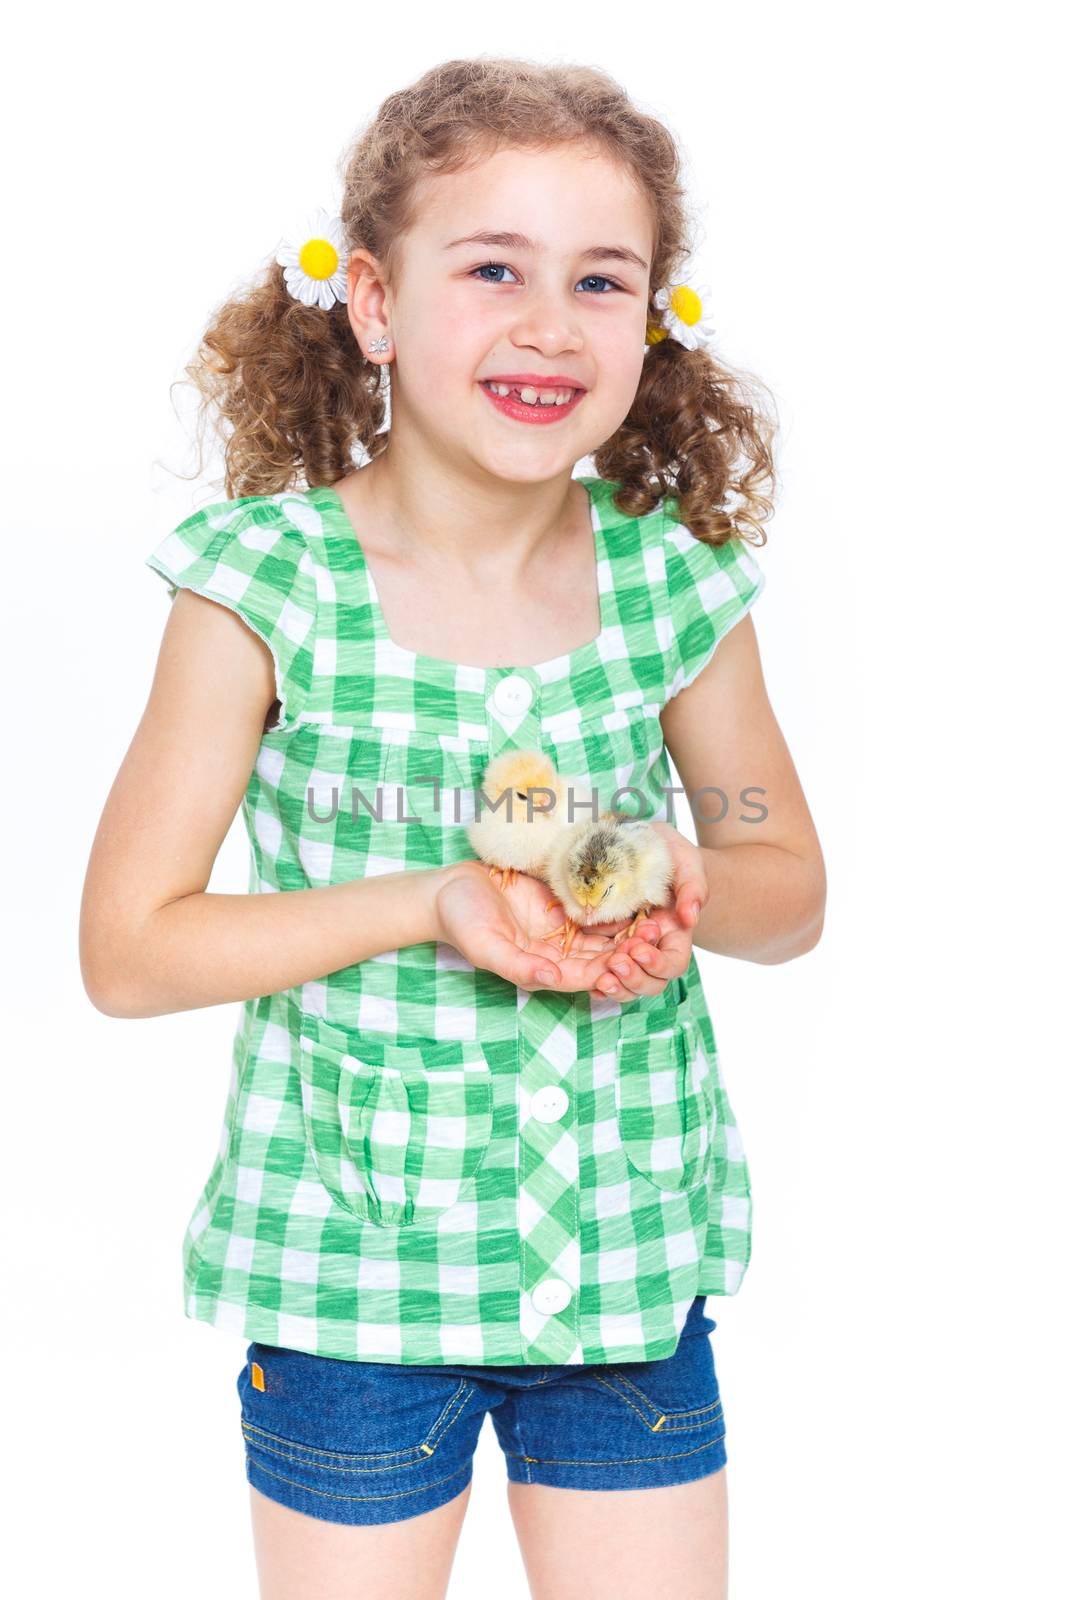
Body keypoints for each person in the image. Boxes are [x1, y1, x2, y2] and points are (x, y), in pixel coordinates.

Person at [80, 55, 825, 1600]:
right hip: (355, 1282)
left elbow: (787, 886)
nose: (550, 323)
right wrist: (434, 904)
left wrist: (684, 868)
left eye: (601, 281)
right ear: (371, 303)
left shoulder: (675, 587)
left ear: (650, 322)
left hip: (623, 1272)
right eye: (493, 269)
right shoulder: (260, 588)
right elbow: (131, 951)